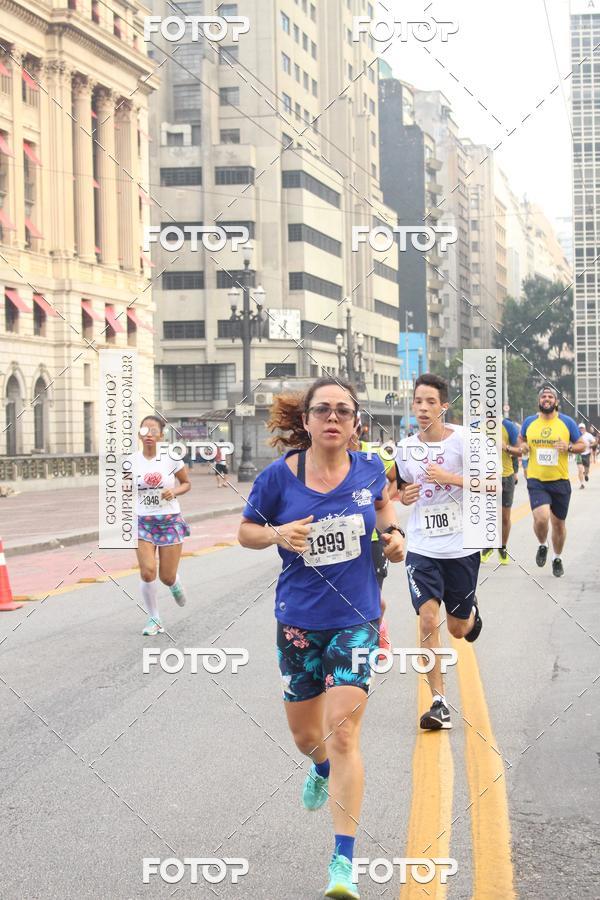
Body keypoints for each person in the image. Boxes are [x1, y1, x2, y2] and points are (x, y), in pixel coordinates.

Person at [237, 376, 405, 900]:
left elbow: (382, 508)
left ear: (356, 424)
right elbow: (245, 532)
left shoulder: (371, 469)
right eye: (323, 410)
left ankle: (342, 864)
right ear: (305, 421)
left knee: (345, 732)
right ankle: (320, 768)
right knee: (309, 738)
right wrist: (277, 534)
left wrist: (394, 535)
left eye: (343, 411)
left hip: (355, 618)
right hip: (298, 621)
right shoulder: (278, 480)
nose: (333, 418)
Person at [396, 373, 483, 731]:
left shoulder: (464, 440)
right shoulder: (405, 448)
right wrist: (404, 496)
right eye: (418, 401)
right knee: (428, 620)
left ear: (444, 406)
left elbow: (490, 482)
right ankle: (439, 703)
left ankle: (472, 614)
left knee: (459, 629)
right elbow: (400, 487)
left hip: (460, 547)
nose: (424, 408)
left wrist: (452, 479)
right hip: (422, 547)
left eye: (431, 401)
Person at [519, 386, 585, 577]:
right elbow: (521, 439)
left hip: (560, 481)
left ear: (556, 402)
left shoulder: (567, 422)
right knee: (541, 518)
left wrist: (569, 446)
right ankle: (542, 544)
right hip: (536, 480)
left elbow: (582, 445)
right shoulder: (530, 422)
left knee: (558, 525)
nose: (546, 399)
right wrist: (522, 446)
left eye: (550, 397)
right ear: (539, 401)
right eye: (543, 396)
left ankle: (557, 557)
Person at [136, 416, 191, 635]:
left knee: (165, 576)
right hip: (142, 522)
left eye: (153, 430)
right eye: (144, 430)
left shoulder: (171, 458)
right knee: (148, 572)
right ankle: (154, 619)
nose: (148, 434)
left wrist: (174, 491)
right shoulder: (131, 460)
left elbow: (186, 483)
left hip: (169, 521)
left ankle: (175, 583)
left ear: (161, 435)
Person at [481, 417, 520, 565]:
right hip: (487, 477)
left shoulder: (508, 426)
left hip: (506, 476)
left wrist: (506, 447)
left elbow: (520, 451)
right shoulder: (478, 427)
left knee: (504, 517)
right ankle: (488, 545)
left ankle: (502, 547)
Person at [575, 423, 596, 489]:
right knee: (580, 469)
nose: (581, 429)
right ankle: (582, 484)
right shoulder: (576, 435)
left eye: (582, 428)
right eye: (580, 428)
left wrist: (590, 445)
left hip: (586, 454)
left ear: (585, 429)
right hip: (579, 454)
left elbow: (594, 442)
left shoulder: (588, 435)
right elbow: (572, 442)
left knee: (586, 470)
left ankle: (586, 474)